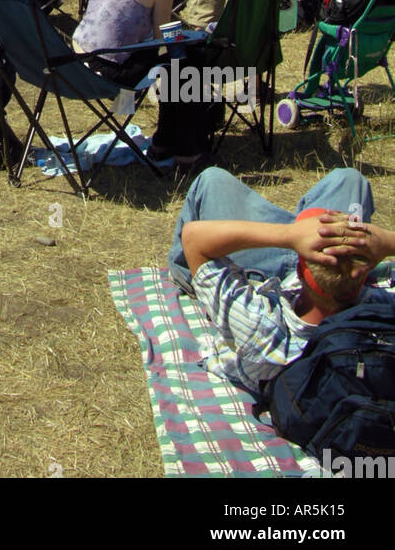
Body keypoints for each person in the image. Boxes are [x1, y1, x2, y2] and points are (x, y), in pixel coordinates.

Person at [167, 166, 394, 397]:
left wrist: (291, 236)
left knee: (211, 180)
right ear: (365, 273)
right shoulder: (378, 305)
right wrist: (384, 241)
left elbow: (194, 238)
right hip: (306, 277)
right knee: (349, 179)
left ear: (300, 265)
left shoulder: (262, 327)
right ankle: (306, 227)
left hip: (251, 276)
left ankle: (184, 273)